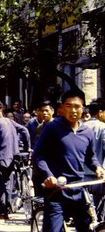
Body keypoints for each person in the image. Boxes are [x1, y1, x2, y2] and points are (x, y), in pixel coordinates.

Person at [32, 89, 105, 232]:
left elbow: (90, 156)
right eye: (69, 106)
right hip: (56, 191)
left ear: (83, 108)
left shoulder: (87, 132)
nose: (73, 110)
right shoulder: (52, 128)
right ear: (61, 108)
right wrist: (48, 175)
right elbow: (38, 155)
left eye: (77, 106)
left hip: (79, 190)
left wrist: (97, 167)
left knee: (87, 226)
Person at [0, 97, 20, 220]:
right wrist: (25, 147)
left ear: (1, 110)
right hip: (11, 157)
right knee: (7, 185)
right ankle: (6, 210)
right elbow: (24, 130)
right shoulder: (9, 121)